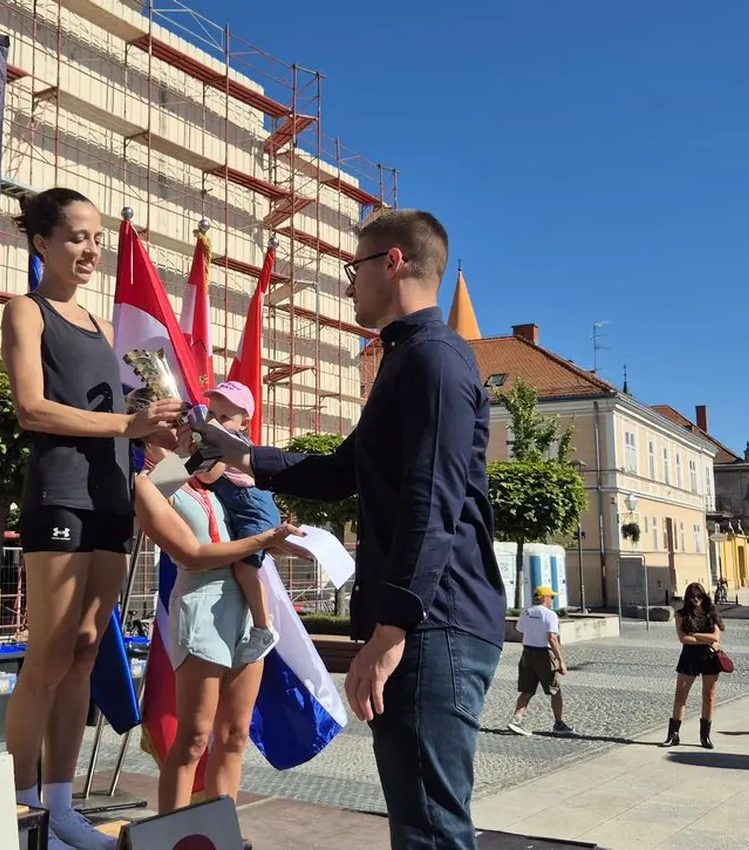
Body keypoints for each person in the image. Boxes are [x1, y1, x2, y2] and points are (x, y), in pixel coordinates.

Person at [191, 209, 506, 850]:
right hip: (426, 623)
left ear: (392, 262)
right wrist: (230, 449)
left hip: (433, 624)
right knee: (421, 822)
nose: (348, 284)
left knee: (431, 829)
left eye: (353, 268)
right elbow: (340, 473)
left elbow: (432, 502)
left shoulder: (434, 361)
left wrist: (393, 627)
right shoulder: (404, 362)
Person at [0, 187, 185, 850]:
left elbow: (139, 424)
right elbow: (32, 409)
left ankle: (62, 808)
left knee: (83, 652)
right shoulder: (25, 311)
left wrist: (167, 437)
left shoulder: (112, 333)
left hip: (111, 498)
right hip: (61, 495)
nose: (90, 249)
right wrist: (126, 423)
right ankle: (21, 813)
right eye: (77, 236)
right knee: (47, 653)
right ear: (41, 242)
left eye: (97, 238)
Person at [130, 418, 303, 814]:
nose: (186, 430)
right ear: (149, 432)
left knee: (235, 735)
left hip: (243, 605)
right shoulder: (150, 484)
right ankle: (171, 832)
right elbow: (192, 553)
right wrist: (263, 539)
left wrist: (279, 542)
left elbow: (242, 530)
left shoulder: (205, 480)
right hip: (202, 604)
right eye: (175, 424)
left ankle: (221, 830)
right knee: (193, 737)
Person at [201, 381, 281, 662]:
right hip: (247, 508)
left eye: (225, 418)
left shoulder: (229, 444)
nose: (216, 422)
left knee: (245, 571)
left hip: (253, 510)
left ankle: (263, 627)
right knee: (243, 570)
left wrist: (187, 459)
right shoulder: (221, 439)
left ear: (244, 423)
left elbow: (209, 476)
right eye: (212, 415)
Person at [663, 581, 725, 750]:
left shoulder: (711, 613)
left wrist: (696, 635)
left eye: (698, 595)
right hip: (689, 657)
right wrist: (706, 639)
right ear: (687, 597)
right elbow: (683, 638)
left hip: (709, 657)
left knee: (709, 697)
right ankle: (673, 735)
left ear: (703, 596)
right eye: (692, 596)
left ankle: (705, 736)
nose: (695, 599)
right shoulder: (681, 614)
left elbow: (716, 637)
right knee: (680, 696)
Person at [507, 586, 574, 737]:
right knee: (555, 690)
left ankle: (516, 719)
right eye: (552, 597)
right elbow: (552, 638)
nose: (552, 600)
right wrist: (561, 661)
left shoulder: (526, 611)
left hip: (528, 653)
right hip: (543, 654)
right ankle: (558, 723)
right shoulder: (550, 615)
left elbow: (520, 632)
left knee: (527, 689)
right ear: (544, 597)